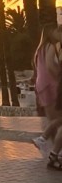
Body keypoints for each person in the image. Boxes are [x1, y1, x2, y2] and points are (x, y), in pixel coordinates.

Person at [32, 24, 62, 161]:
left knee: (53, 119)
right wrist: (59, 75)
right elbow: (50, 66)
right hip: (51, 84)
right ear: (51, 33)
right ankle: (44, 140)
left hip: (41, 85)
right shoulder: (50, 46)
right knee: (58, 118)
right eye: (57, 31)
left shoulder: (39, 49)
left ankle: (54, 150)